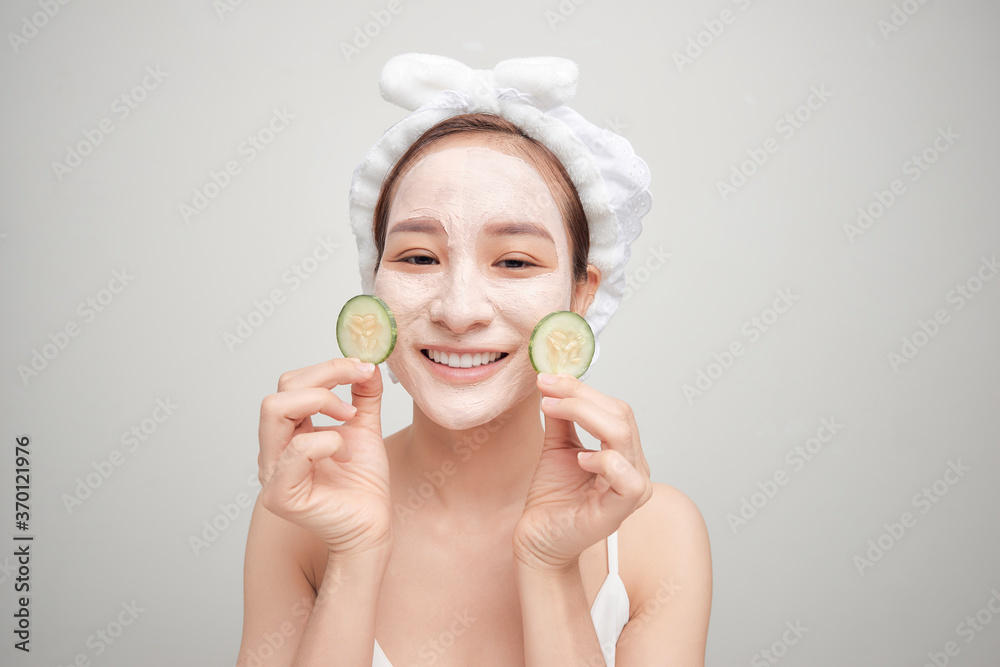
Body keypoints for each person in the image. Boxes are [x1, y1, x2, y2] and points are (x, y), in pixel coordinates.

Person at [237, 54, 712, 667]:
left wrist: (549, 565)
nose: (459, 311)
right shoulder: (301, 510)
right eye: (418, 259)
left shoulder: (657, 534)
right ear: (374, 285)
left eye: (514, 261)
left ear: (581, 294)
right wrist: (354, 554)